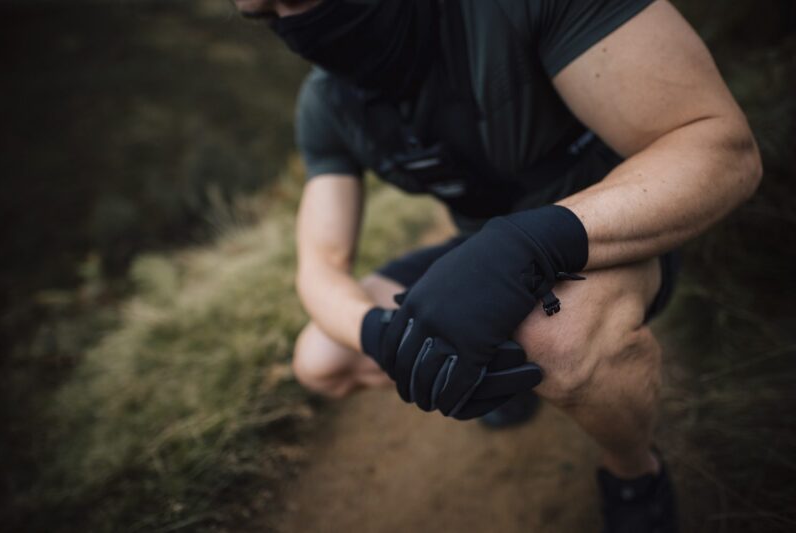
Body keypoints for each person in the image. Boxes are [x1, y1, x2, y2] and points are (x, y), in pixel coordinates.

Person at [234, 1, 763, 531]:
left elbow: (721, 147)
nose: (292, 24)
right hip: (478, 250)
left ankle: (634, 473)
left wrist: (532, 242)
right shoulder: (325, 105)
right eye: (264, 14)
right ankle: (505, 372)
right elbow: (320, 265)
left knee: (557, 337)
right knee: (321, 358)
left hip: (604, 226)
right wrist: (381, 335)